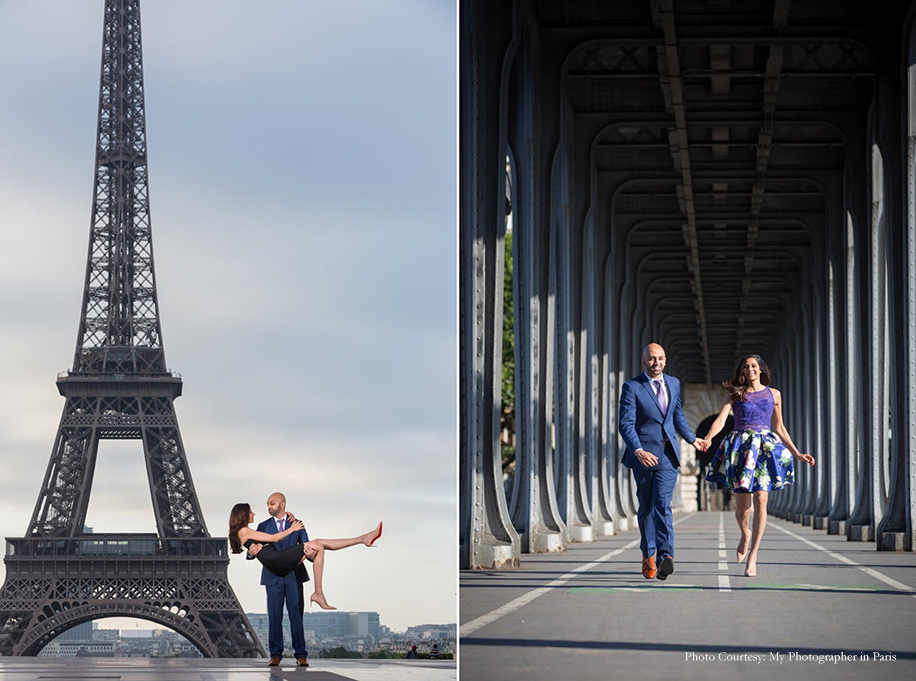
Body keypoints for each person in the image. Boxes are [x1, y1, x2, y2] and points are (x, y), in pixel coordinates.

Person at [228, 493, 382, 667]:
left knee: (296, 615)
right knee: (274, 617)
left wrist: (309, 555)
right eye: (267, 504)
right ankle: (276, 654)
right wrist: (250, 552)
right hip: (274, 575)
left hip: (293, 573)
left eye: (271, 504)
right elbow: (256, 546)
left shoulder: (297, 523)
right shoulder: (263, 526)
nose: (268, 507)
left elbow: (309, 551)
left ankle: (301, 655)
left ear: (282, 504)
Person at [702, 354, 815, 577]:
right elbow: (722, 419)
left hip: (764, 450)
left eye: (754, 366)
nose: (750, 369)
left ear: (761, 369)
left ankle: (753, 556)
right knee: (742, 509)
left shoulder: (774, 395)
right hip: (742, 448)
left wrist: (797, 452)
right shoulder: (735, 393)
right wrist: (708, 437)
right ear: (742, 371)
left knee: (761, 499)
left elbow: (780, 427)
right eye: (746, 366)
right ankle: (745, 534)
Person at [619, 343, 709, 581]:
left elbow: (677, 415)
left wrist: (692, 440)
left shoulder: (674, 383)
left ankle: (665, 556)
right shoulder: (632, 387)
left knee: (662, 504)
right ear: (643, 361)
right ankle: (648, 554)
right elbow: (625, 423)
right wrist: (637, 450)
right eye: (651, 359)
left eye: (660, 358)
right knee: (647, 507)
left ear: (665, 360)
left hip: (669, 455)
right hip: (644, 456)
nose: (656, 362)